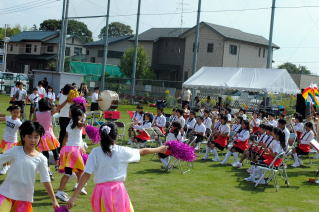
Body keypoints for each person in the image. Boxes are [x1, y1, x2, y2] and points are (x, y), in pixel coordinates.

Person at [65, 122, 167, 211]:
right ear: (116, 136)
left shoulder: (95, 152)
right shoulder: (122, 151)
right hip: (118, 191)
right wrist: (159, 149)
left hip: (100, 192)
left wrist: (73, 197)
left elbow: (86, 175)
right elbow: (143, 151)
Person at [0, 121, 59, 210]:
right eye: (29, 136)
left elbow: (46, 180)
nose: (33, 140)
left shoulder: (41, 158)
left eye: (36, 137)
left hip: (24, 198)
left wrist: (54, 200)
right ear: (23, 137)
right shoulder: (15, 150)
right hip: (6, 194)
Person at [56, 105, 87, 202]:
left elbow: (65, 137)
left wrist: (62, 148)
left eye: (69, 112)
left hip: (68, 150)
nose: (68, 113)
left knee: (79, 171)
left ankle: (79, 186)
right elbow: (82, 124)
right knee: (70, 172)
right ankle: (60, 191)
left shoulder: (70, 123)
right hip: (74, 151)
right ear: (79, 116)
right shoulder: (78, 123)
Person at [35, 98, 60, 180]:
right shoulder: (50, 112)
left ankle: (48, 171)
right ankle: (57, 165)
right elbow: (59, 108)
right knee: (55, 151)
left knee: (45, 154)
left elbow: (33, 122)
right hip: (50, 135)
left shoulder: (37, 113)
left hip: (41, 136)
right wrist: (67, 100)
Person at [0, 105, 22, 174]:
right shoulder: (8, 118)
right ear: (11, 112)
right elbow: (1, 118)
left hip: (12, 142)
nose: (16, 114)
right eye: (14, 112)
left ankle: (5, 167)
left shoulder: (19, 122)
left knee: (6, 154)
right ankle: (7, 166)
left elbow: (22, 130)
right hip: (5, 140)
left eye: (18, 113)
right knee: (5, 154)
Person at [57, 84, 73, 152]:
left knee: (68, 133)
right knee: (63, 132)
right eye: (71, 90)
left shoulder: (71, 96)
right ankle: (60, 148)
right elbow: (60, 106)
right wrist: (67, 100)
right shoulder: (63, 96)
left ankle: (66, 147)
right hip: (63, 117)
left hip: (69, 117)